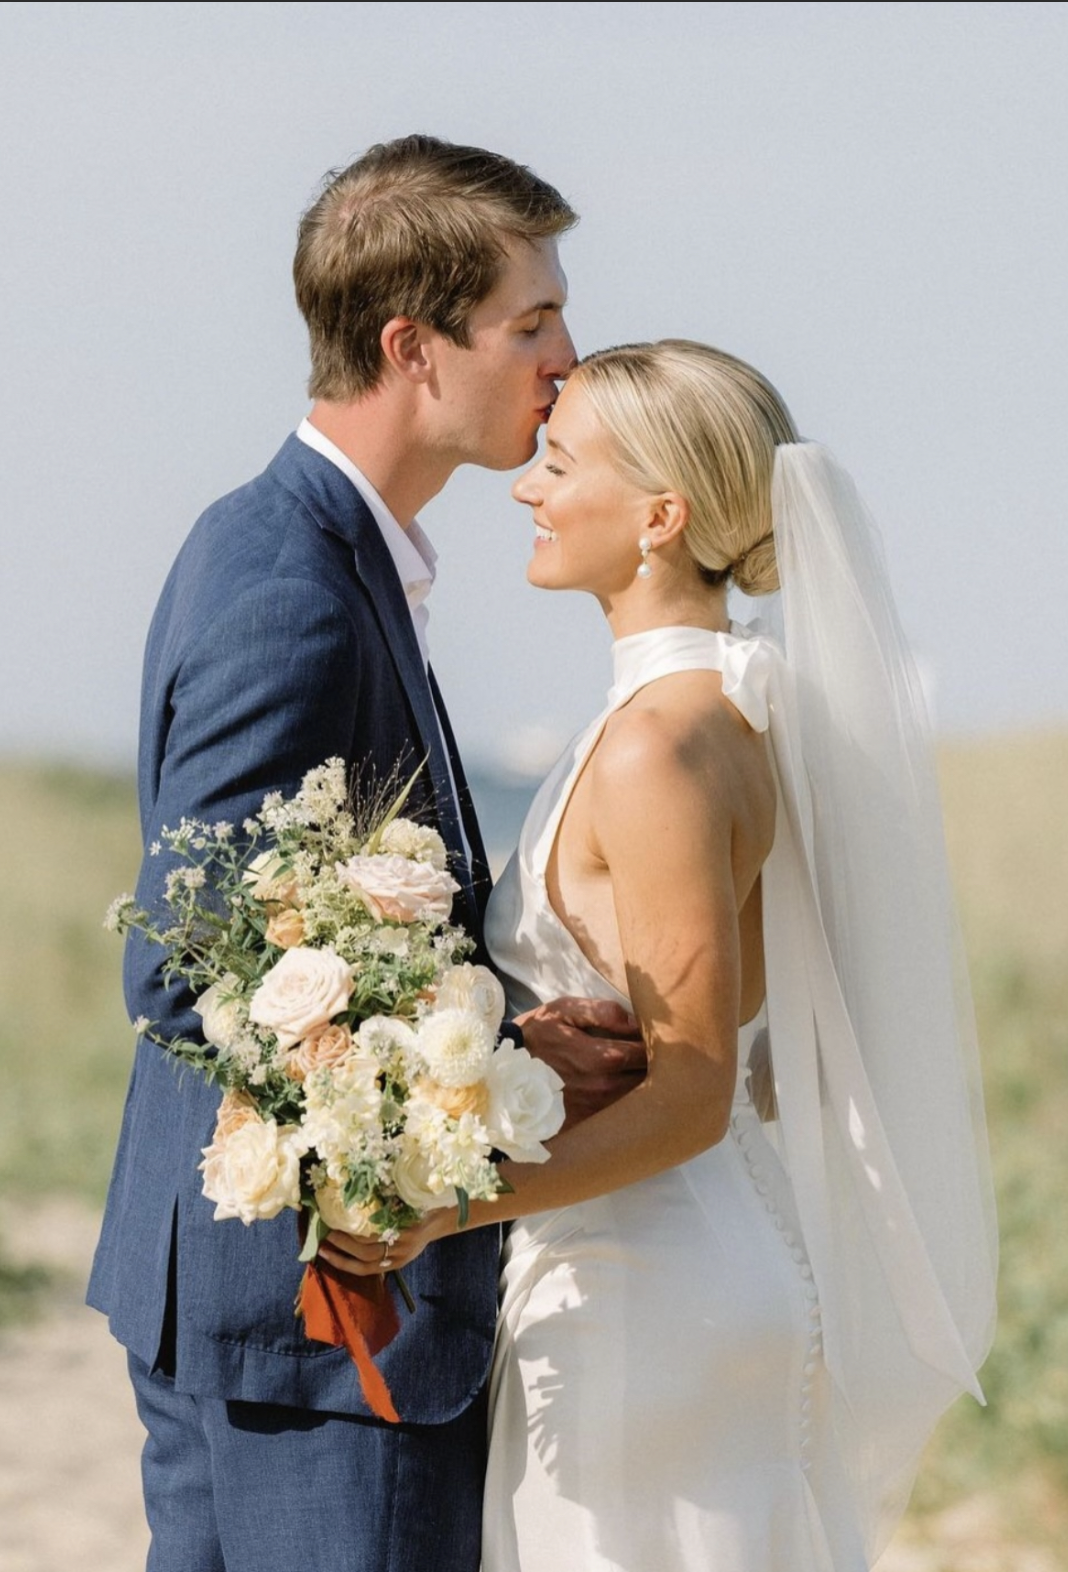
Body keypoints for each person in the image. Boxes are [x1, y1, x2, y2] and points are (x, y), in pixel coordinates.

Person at [332, 340, 998, 1569]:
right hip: (712, 1253)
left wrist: (437, 1210)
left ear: (660, 516)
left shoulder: (656, 749)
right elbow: (763, 1061)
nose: (528, 486)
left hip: (643, 1291)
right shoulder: (740, 712)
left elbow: (690, 1093)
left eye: (560, 461)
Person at [87, 135, 644, 1572]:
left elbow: (290, 927)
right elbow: (185, 964)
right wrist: (497, 1048)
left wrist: (508, 1027)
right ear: (414, 345)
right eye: (531, 323)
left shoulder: (298, 548)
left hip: (244, 1305)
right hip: (318, 1320)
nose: (567, 360)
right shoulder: (293, 589)